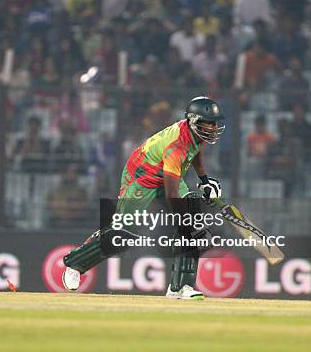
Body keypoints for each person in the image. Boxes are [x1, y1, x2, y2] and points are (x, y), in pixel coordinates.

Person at [62, 97, 225, 300]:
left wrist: (204, 180)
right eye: (209, 122)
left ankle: (180, 287)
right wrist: (189, 224)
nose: (213, 127)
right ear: (194, 121)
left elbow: (195, 152)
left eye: (214, 122)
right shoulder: (177, 147)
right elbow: (172, 194)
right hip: (141, 177)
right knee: (121, 235)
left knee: (191, 217)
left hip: (165, 171)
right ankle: (74, 264)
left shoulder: (193, 134)